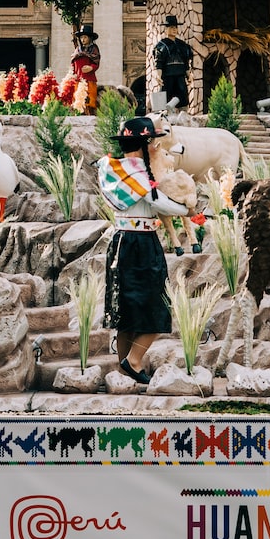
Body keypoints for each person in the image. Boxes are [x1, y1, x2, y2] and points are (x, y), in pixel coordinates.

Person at [97, 115, 185, 383]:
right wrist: (188, 209)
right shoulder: (138, 176)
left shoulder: (112, 170)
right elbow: (159, 203)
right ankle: (133, 362)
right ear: (144, 143)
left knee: (126, 309)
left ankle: (125, 372)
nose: (157, 147)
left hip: (121, 241)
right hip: (142, 243)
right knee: (157, 306)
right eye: (153, 142)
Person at [154, 15, 192, 109]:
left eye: (175, 27)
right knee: (166, 103)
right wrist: (158, 76)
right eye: (171, 27)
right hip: (168, 78)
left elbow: (186, 63)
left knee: (183, 102)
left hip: (180, 77)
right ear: (166, 29)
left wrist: (189, 75)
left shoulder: (182, 45)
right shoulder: (161, 45)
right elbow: (159, 63)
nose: (174, 29)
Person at [70, 26, 101, 113]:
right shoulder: (77, 50)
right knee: (77, 100)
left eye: (85, 37)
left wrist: (91, 67)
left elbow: (96, 62)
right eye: (81, 37)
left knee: (90, 101)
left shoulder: (94, 49)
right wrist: (72, 73)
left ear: (90, 38)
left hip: (89, 80)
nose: (83, 39)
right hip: (78, 80)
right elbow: (73, 62)